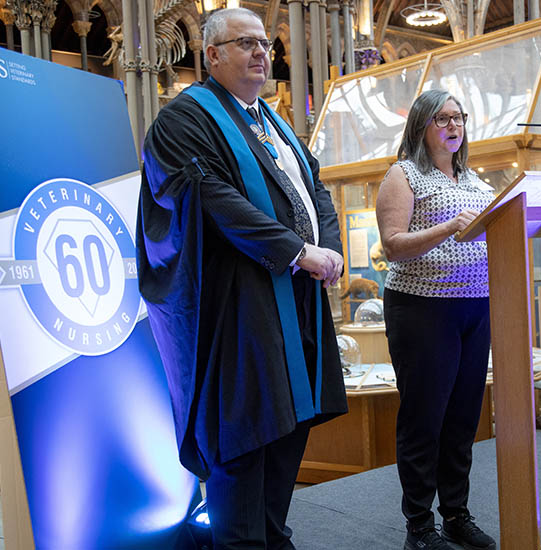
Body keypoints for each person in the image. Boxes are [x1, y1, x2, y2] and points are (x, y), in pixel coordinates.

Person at [136, 8, 347, 549]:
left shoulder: (271, 120)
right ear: (211, 54)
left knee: (290, 428)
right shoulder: (183, 120)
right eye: (245, 43)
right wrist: (298, 251)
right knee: (246, 436)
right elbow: (212, 200)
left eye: (264, 43)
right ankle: (241, 542)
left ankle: (274, 535)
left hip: (293, 296)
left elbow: (314, 187)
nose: (261, 52)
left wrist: (329, 248)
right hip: (237, 307)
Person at [376, 89, 497, 550]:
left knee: (463, 419)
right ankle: (419, 527)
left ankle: (456, 515)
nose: (454, 125)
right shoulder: (403, 175)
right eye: (442, 118)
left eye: (459, 117)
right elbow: (393, 244)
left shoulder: (475, 181)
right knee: (425, 419)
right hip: (423, 308)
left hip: (475, 307)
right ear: (422, 126)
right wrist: (449, 227)